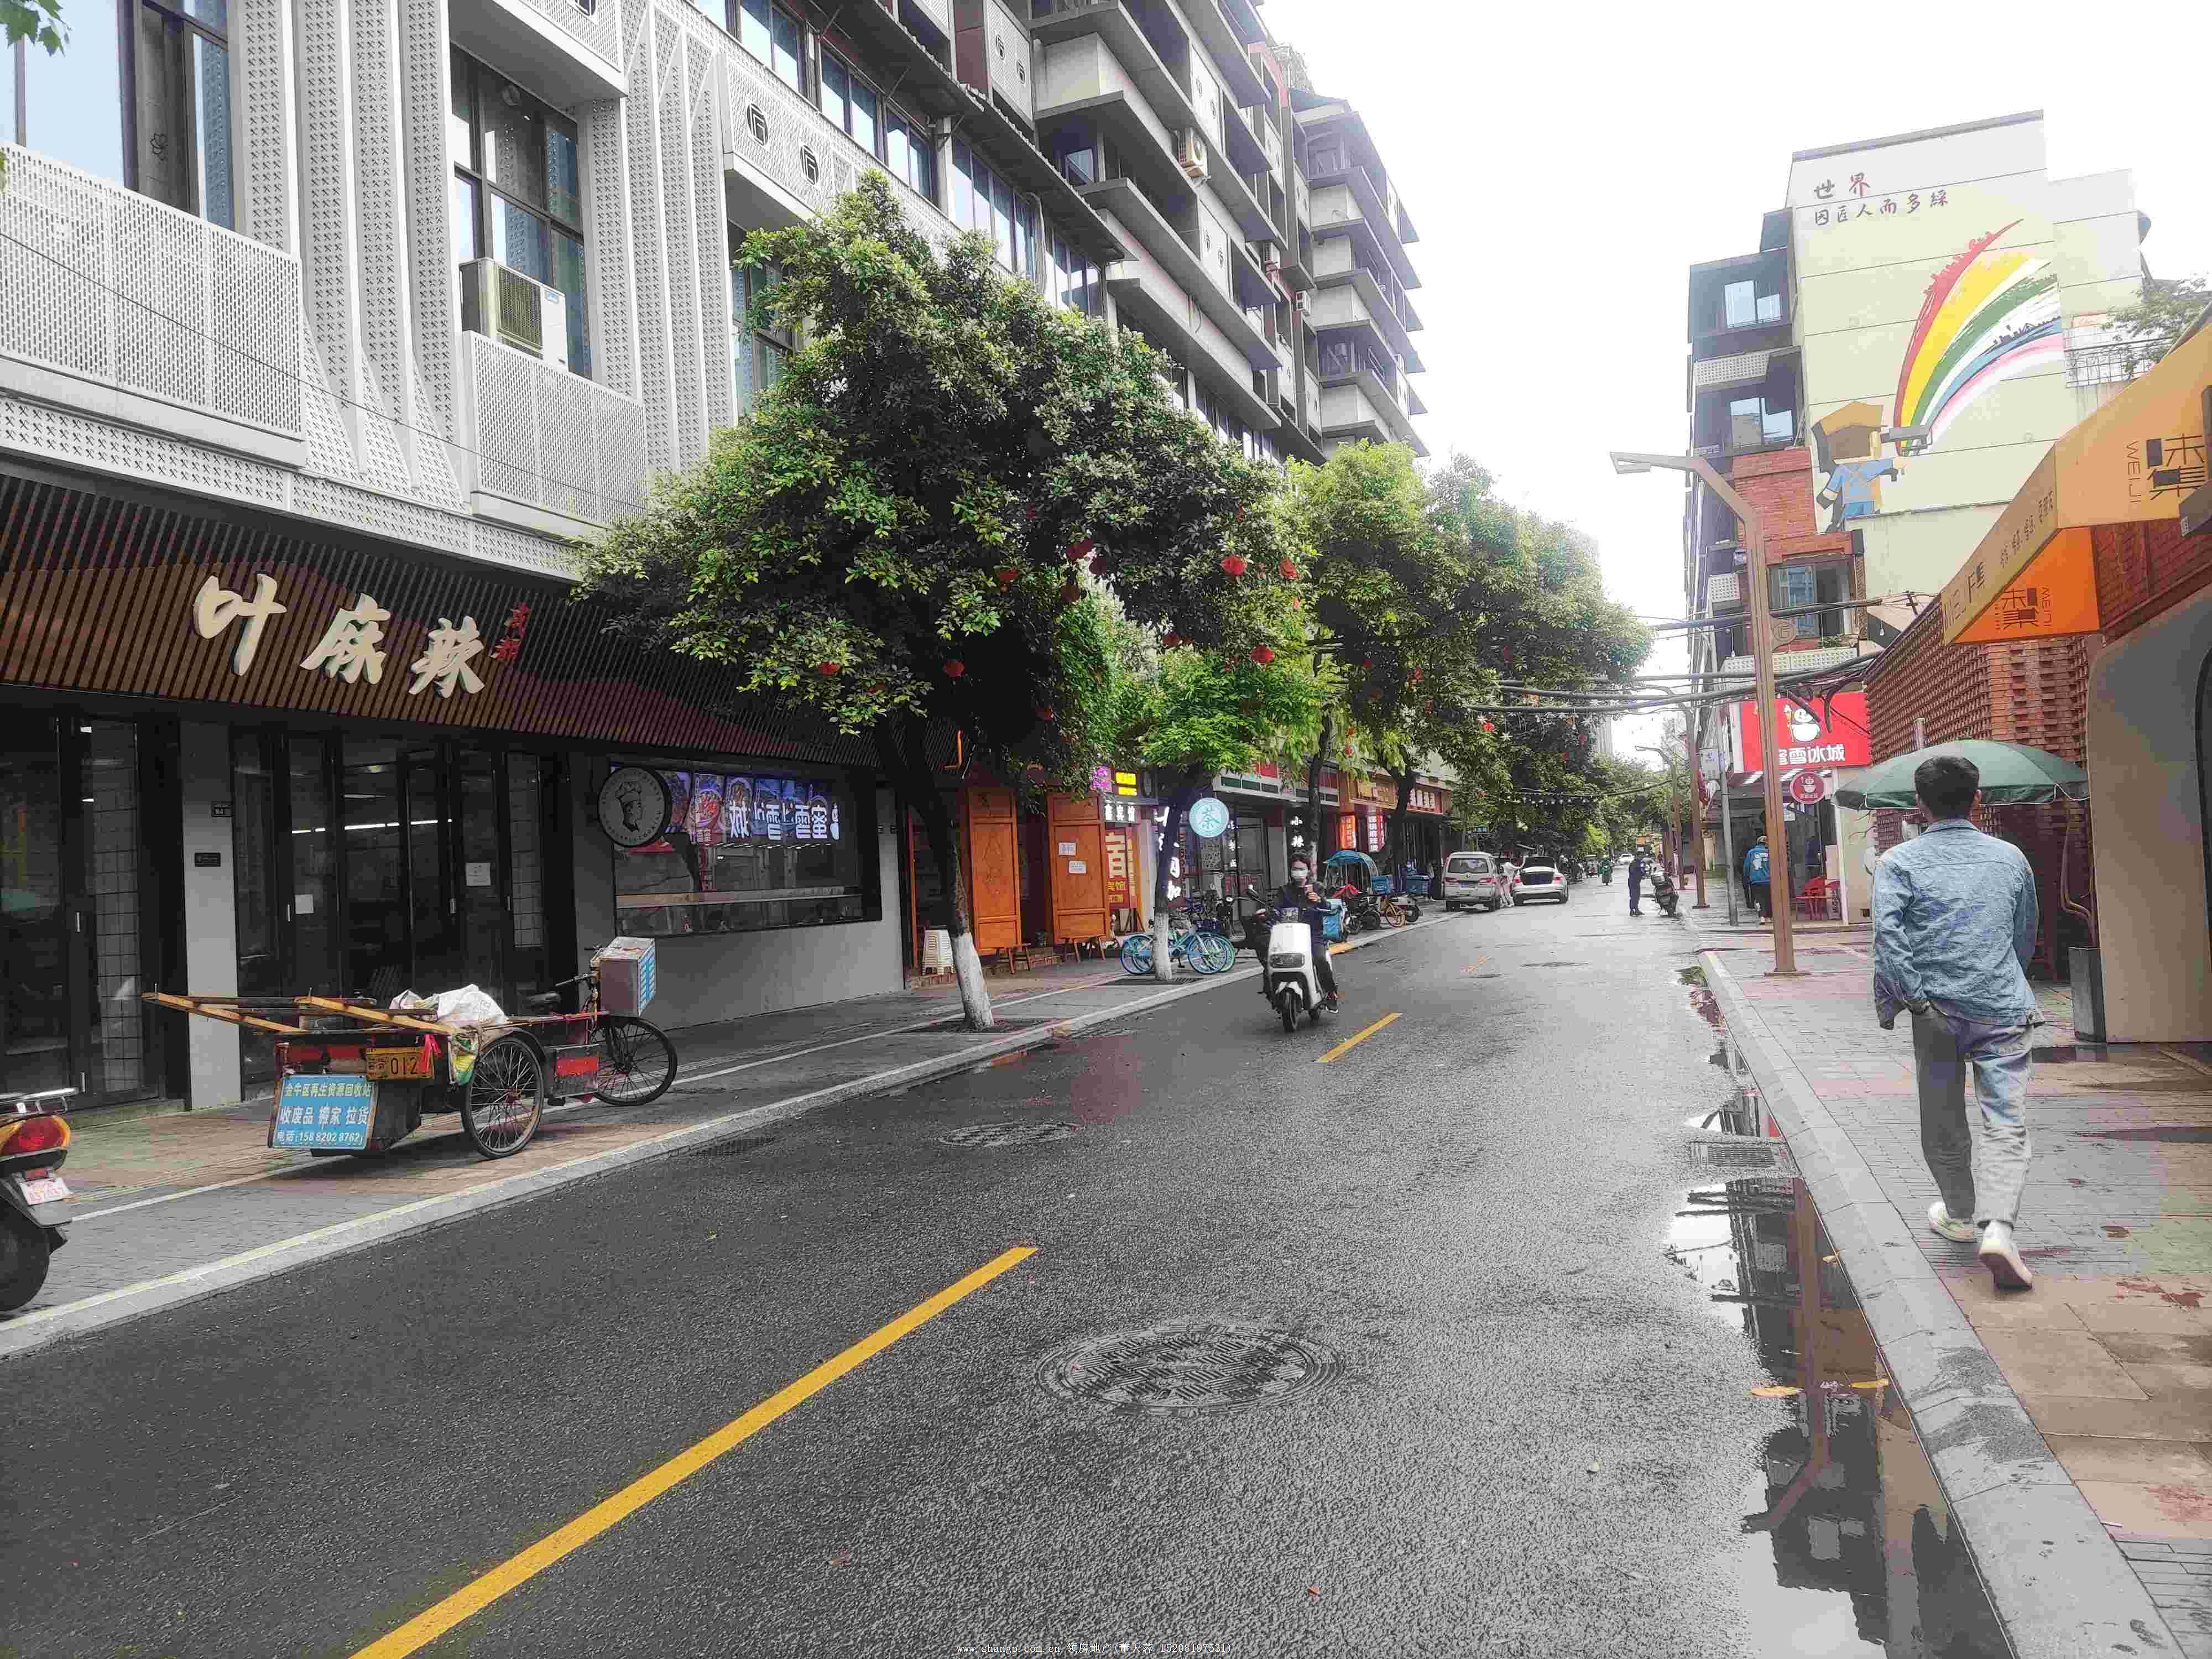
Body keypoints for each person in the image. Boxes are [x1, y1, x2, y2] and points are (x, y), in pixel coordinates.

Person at [1873, 755, 2040, 1291]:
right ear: (1978, 799)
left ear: (1918, 805)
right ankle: (2000, 1229)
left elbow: (1889, 941)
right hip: (2003, 1006)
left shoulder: (1897, 863)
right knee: (2005, 1120)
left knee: (1943, 1120)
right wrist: (2003, 979)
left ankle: (1962, 1214)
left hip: (1937, 1012)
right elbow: (2024, 933)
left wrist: (1915, 1001)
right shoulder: (2011, 858)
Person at [1265, 858, 1340, 1010]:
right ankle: (1271, 994)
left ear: (1308, 871)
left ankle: (1331, 993)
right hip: (1287, 934)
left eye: (1301, 869)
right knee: (1272, 961)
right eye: (1295, 869)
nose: (1298, 872)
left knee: (1320, 959)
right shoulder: (1284, 890)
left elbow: (1327, 906)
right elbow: (1276, 908)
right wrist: (1269, 913)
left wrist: (1319, 900)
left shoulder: (1317, 887)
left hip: (1313, 933)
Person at [1742, 835, 1772, 921]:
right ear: (1766, 844)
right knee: (1768, 898)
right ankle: (1769, 917)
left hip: (1755, 880)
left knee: (1759, 898)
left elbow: (1746, 867)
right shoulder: (1769, 852)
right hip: (1768, 880)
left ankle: (1762, 916)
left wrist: (1747, 878)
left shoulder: (1751, 853)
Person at [1626, 848, 1647, 916]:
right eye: (1640, 856)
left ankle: (1637, 910)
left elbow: (1641, 871)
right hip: (1633, 882)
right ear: (1637, 856)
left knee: (1637, 896)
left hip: (1637, 882)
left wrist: (1644, 875)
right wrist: (1641, 876)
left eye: (1642, 856)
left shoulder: (1639, 863)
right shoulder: (1634, 863)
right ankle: (1632, 911)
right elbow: (1634, 872)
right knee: (1634, 897)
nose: (1642, 857)